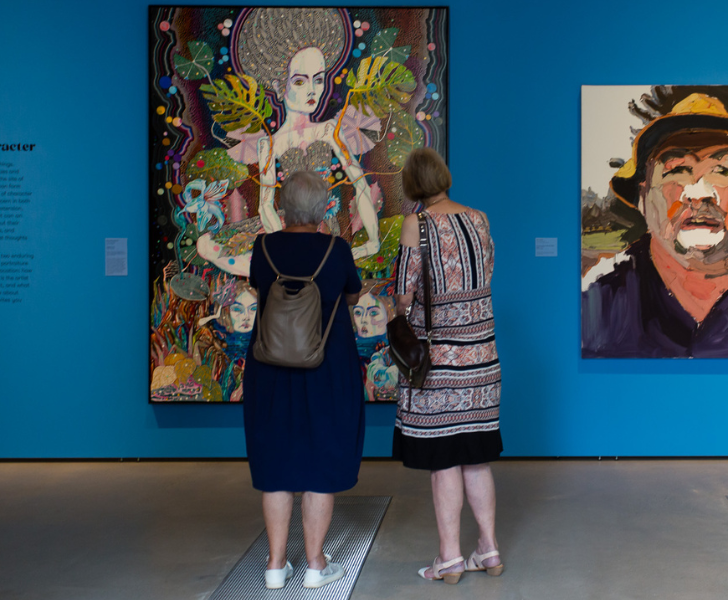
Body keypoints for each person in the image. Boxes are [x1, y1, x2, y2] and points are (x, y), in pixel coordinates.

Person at [581, 93, 728, 358]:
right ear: (642, 198)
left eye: (724, 171)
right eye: (675, 171)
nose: (698, 192)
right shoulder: (589, 309)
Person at [242, 170, 365, 590]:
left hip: (270, 371)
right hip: (326, 371)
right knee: (320, 463)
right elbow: (352, 294)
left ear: (282, 207)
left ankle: (275, 566)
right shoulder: (337, 250)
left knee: (276, 464)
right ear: (323, 208)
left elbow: (260, 287)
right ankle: (315, 564)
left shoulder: (264, 248)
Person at [196, 7, 382, 277]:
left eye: (318, 80)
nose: (311, 91)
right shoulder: (270, 145)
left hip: (321, 228)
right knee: (205, 244)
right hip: (282, 229)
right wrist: (282, 247)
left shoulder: (329, 131)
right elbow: (265, 206)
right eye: (299, 81)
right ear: (278, 83)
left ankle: (294, 267)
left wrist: (374, 240)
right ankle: (289, 268)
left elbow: (361, 187)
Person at [393, 148, 504, 584]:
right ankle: (489, 550)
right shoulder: (479, 218)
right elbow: (488, 273)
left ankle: (450, 558)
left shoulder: (415, 224)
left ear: (413, 185)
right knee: (476, 459)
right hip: (482, 358)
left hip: (438, 364)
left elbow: (404, 294)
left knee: (444, 461)